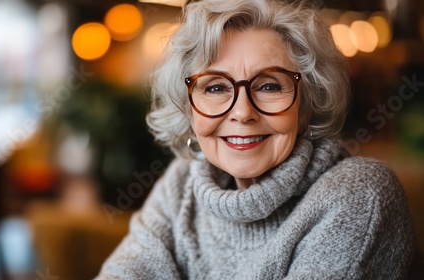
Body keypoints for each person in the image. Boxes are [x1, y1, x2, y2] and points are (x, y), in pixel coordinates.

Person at [96, 0, 421, 278]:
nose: (242, 112)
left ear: (306, 105)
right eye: (215, 87)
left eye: (269, 86)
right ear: (188, 109)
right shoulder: (180, 186)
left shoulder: (359, 193)